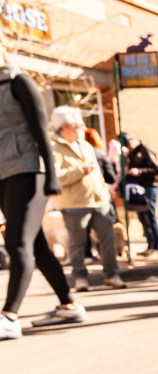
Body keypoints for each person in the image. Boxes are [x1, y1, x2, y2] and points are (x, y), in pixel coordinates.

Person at [0, 43, 86, 338]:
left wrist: (52, 177)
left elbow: (41, 132)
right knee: (35, 245)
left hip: (29, 171)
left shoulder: (19, 82)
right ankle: (68, 305)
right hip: (4, 175)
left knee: (16, 243)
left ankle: (9, 316)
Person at [50, 106, 126, 293]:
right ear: (65, 126)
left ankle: (112, 275)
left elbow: (98, 174)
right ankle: (80, 278)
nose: (83, 127)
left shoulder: (85, 144)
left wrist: (106, 196)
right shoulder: (53, 147)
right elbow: (55, 177)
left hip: (99, 201)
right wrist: (80, 171)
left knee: (108, 238)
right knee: (77, 244)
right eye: (78, 124)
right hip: (74, 204)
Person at [122, 132, 158, 257]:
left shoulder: (144, 150)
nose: (129, 146)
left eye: (129, 142)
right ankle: (150, 245)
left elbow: (157, 169)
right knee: (142, 216)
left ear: (135, 139)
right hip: (139, 188)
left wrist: (139, 171)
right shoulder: (131, 153)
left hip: (150, 186)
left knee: (150, 215)